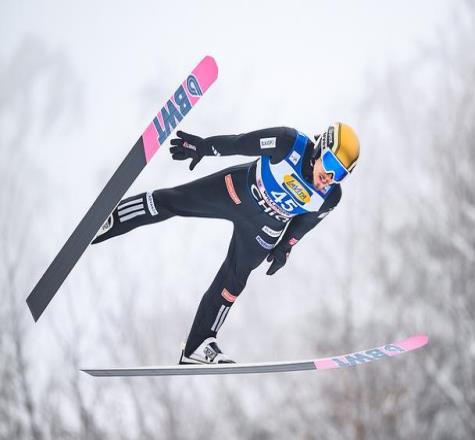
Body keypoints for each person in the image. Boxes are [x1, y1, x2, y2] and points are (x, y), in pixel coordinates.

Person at [92, 122, 360, 364]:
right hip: (234, 192)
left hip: (263, 230)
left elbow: (304, 224)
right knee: (173, 201)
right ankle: (112, 219)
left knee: (233, 283)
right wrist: (203, 147)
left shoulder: (330, 197)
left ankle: (198, 346)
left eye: (340, 173)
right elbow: (239, 143)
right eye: (330, 164)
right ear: (320, 148)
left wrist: (285, 247)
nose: (330, 176)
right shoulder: (288, 143)